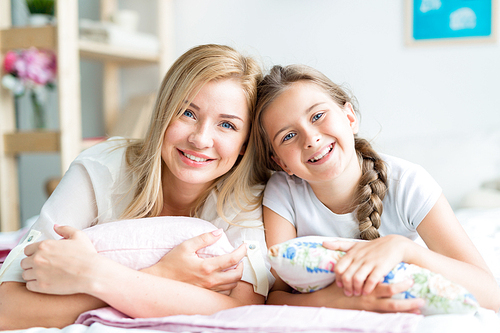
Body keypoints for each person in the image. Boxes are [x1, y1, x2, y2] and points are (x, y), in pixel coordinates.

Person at [0, 44, 274, 329]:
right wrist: (164, 275)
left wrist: (93, 273)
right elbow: (7, 309)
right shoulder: (102, 166)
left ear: (244, 144)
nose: (200, 139)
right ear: (163, 113)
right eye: (187, 113)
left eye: (227, 125)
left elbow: (243, 311)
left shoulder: (247, 199)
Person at [252, 64, 500, 313]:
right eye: (288, 136)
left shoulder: (409, 183)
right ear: (281, 163)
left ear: (350, 118)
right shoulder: (283, 192)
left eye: (318, 116)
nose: (311, 139)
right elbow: (275, 297)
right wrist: (336, 301)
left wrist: (404, 249)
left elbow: (491, 295)